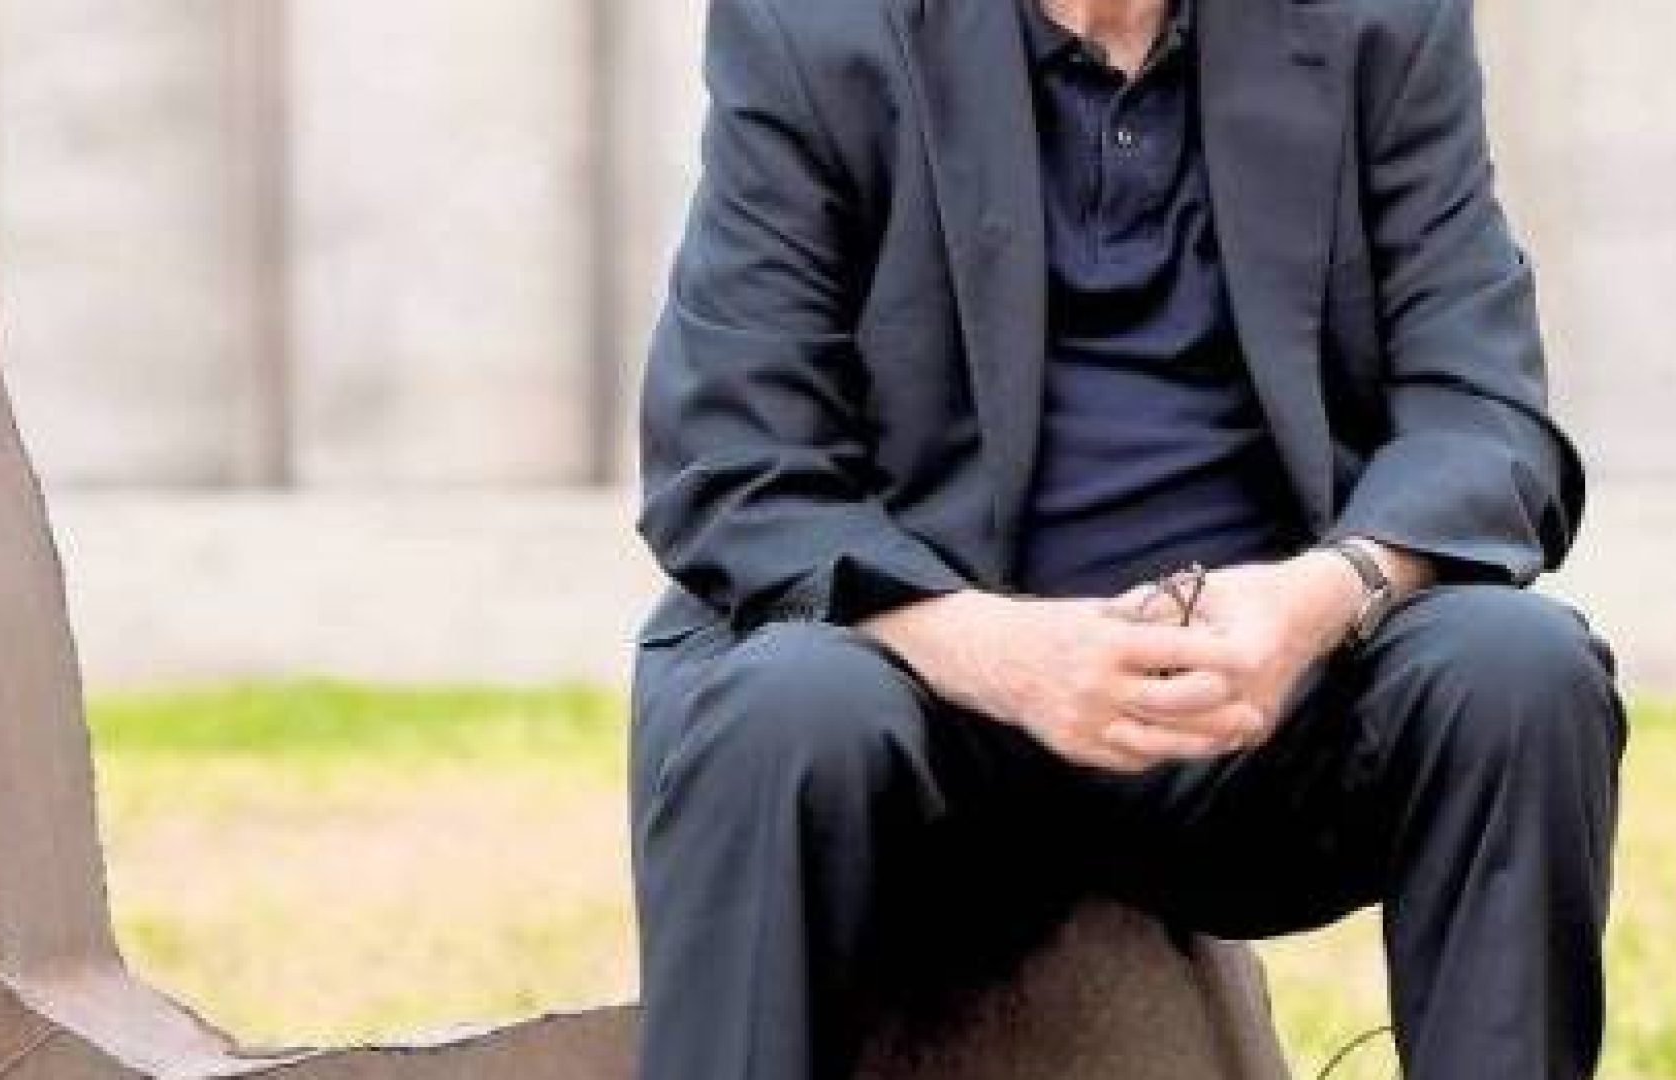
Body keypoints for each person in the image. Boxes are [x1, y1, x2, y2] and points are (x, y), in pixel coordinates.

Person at [625, 0, 1627, 1076]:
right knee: (786, 706)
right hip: (928, 698)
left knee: (1518, 669)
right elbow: (731, 459)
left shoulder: (1378, 25)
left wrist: (1316, 599)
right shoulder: (813, 30)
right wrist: (1003, 654)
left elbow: (1485, 415)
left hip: (1261, 704)